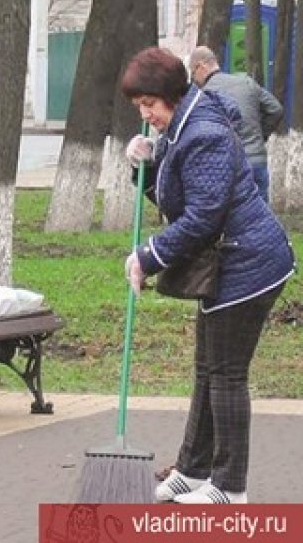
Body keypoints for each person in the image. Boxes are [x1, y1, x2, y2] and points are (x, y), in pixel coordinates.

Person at [121, 46, 294, 505]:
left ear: (171, 95)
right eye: (140, 108)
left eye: (150, 106)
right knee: (208, 371)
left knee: (226, 376)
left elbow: (202, 217)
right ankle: (193, 472)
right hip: (230, 262)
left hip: (250, 265)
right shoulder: (183, 125)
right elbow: (175, 194)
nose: (146, 115)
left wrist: (148, 254)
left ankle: (229, 488)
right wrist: (143, 165)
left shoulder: (204, 131)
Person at [187, 46, 283, 202]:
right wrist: (261, 135)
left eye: (193, 73)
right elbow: (276, 109)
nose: (194, 80)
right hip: (256, 161)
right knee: (261, 219)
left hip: (225, 166)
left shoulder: (203, 95)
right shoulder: (246, 82)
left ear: (201, 66)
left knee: (231, 220)